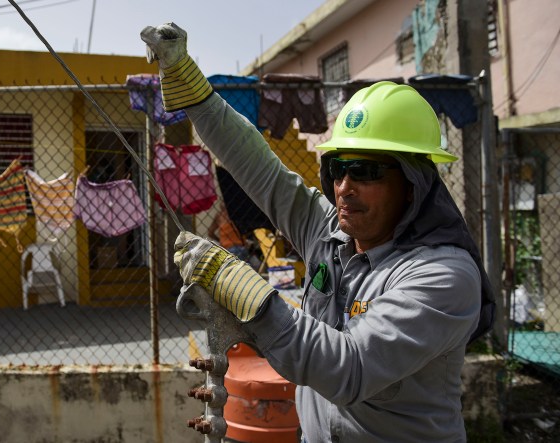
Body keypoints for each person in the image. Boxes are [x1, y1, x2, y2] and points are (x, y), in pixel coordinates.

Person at [140, 23, 495, 442]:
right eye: (338, 168)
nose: (344, 187)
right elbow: (260, 168)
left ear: (413, 183)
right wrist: (194, 93)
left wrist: (246, 292)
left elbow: (349, 369)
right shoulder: (329, 231)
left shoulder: (444, 276)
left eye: (364, 170)